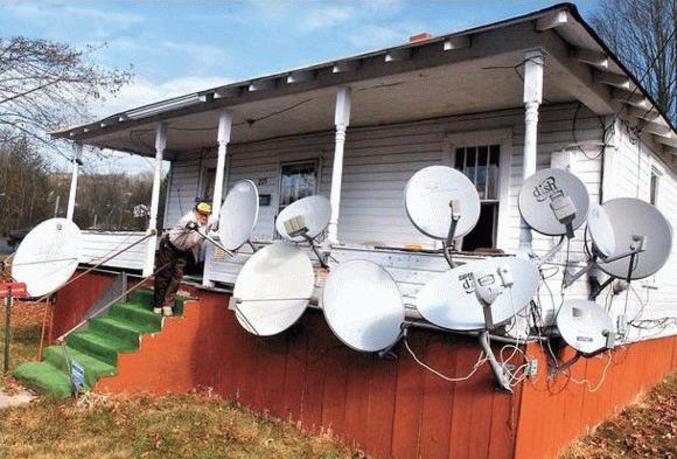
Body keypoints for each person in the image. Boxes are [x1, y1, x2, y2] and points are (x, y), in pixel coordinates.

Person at [152, 201, 212, 316]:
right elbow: (187, 225)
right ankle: (157, 305)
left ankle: (167, 304)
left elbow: (215, 220)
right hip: (169, 246)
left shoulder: (208, 222)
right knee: (164, 275)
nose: (204, 217)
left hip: (183, 251)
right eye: (201, 214)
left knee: (177, 277)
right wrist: (193, 225)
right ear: (195, 212)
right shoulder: (188, 218)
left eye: (206, 215)